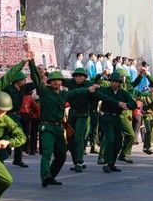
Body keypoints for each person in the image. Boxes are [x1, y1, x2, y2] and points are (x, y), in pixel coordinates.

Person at [27, 57, 100, 186]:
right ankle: (45, 176)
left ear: (62, 82)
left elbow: (76, 92)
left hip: (59, 128)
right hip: (47, 127)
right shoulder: (44, 92)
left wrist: (88, 90)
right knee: (47, 153)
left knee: (61, 156)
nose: (56, 82)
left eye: (59, 80)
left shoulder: (64, 94)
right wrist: (31, 62)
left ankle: (51, 176)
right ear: (49, 82)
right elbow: (36, 78)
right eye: (54, 80)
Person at [94, 71, 137, 173]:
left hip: (117, 118)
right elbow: (97, 93)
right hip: (107, 117)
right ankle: (106, 163)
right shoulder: (105, 90)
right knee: (110, 140)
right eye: (112, 81)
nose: (114, 84)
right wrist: (96, 86)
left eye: (116, 82)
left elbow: (133, 103)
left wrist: (127, 105)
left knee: (118, 141)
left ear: (119, 83)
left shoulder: (123, 93)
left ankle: (112, 164)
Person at [4, 71, 35, 168]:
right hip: (6, 115)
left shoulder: (23, 89)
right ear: (17, 81)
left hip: (16, 116)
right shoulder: (7, 89)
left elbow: (34, 84)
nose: (25, 81)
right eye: (23, 80)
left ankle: (17, 159)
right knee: (3, 136)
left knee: (21, 136)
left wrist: (39, 74)